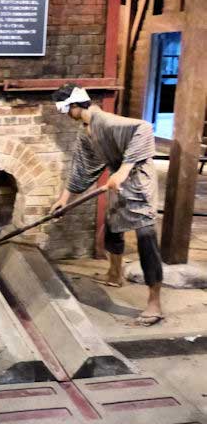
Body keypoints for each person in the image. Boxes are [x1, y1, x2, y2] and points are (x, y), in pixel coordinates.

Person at [50, 83, 164, 326]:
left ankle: (154, 303)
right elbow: (81, 169)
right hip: (117, 183)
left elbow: (144, 129)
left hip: (139, 183)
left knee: (146, 237)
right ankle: (114, 273)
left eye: (66, 110)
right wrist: (64, 199)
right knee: (113, 227)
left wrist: (123, 171)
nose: (67, 116)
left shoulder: (107, 121)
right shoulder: (85, 132)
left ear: (76, 105)